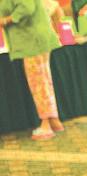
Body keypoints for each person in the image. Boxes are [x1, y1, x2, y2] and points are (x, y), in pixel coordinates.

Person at [0, 0, 64, 140]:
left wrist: (6, 20)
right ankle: (54, 120)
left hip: (32, 39)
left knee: (38, 82)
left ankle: (46, 124)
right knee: (44, 80)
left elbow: (27, 7)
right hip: (35, 38)